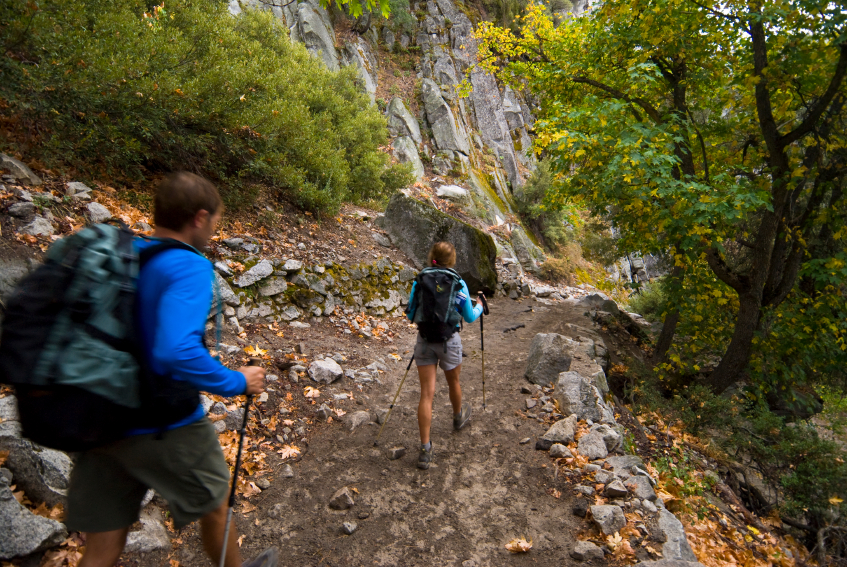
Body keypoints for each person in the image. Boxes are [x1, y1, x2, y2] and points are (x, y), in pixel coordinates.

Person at [66, 172, 277, 567]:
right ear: (199, 217)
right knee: (215, 503)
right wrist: (236, 381)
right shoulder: (187, 266)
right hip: (164, 418)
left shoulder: (131, 257)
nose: (214, 231)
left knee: (103, 543)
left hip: (101, 416)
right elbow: (175, 350)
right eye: (215, 221)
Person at [405, 241, 484, 470]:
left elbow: (410, 311)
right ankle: (458, 416)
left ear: (432, 257)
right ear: (452, 259)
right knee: (453, 382)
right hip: (449, 341)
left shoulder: (419, 280)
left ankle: (424, 449)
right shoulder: (458, 283)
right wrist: (479, 306)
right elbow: (469, 317)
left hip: (425, 341)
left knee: (426, 394)